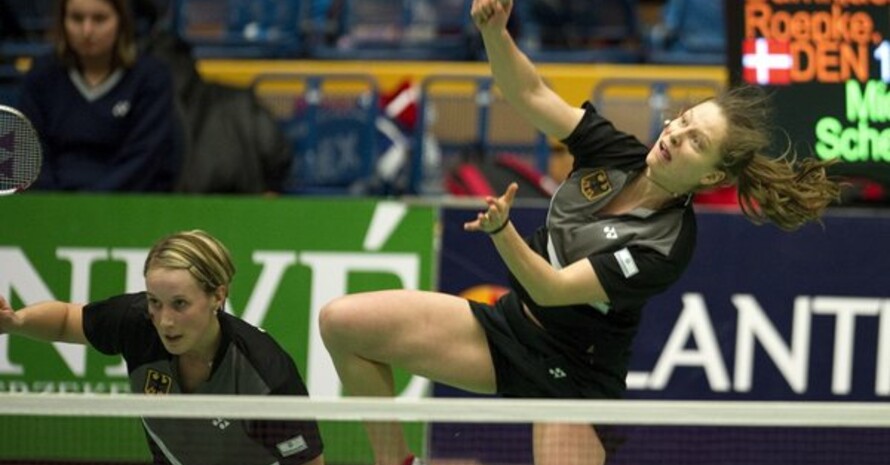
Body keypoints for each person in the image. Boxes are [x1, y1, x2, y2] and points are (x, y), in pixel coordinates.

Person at [317, 1, 843, 465]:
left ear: (711, 177)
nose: (673, 135)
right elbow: (530, 94)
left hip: (577, 377)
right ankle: (394, 461)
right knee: (344, 324)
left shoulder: (668, 245)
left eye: (694, 140)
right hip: (507, 329)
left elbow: (553, 287)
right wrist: (496, 33)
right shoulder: (615, 152)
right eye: (681, 121)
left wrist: (503, 232)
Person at [0, 230, 324, 465]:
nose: (165, 321)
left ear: (218, 296)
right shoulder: (138, 323)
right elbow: (66, 319)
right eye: (155, 302)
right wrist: (16, 322)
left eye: (180, 304)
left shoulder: (265, 373)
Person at [17, 0, 179, 191]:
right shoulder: (40, 76)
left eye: (100, 19)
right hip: (50, 205)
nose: (87, 31)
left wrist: (90, 204)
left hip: (126, 203)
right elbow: (30, 152)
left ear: (122, 21)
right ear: (62, 21)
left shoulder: (152, 78)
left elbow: (145, 158)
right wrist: (54, 202)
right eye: (77, 18)